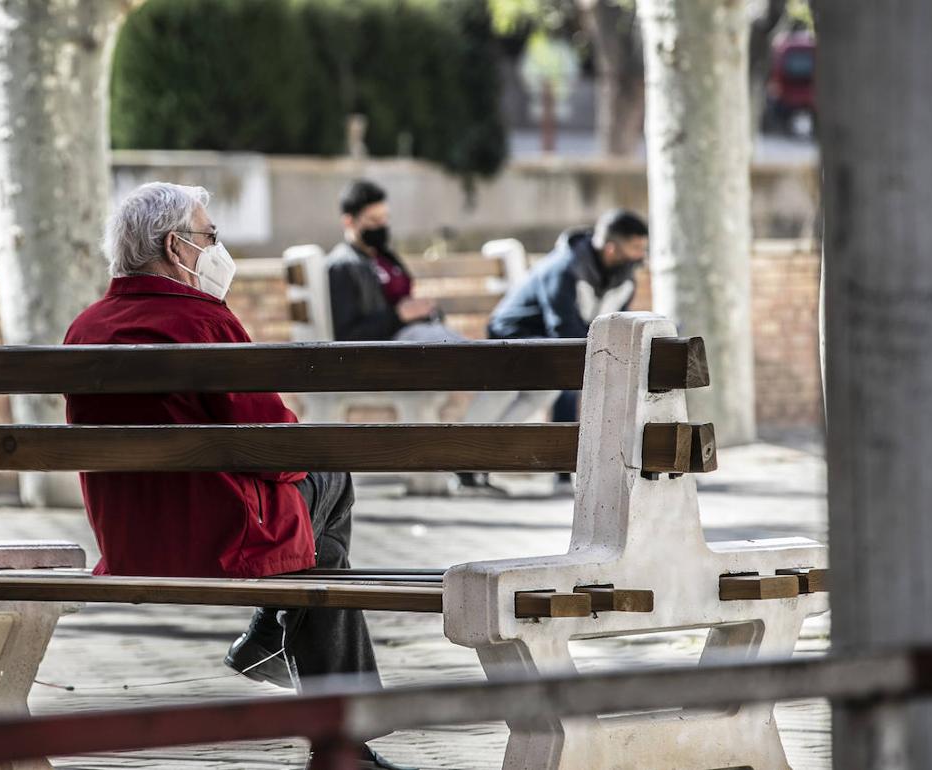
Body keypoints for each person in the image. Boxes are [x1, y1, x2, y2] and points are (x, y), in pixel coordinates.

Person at [64, 182, 414, 770]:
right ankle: (287, 655)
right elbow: (275, 448)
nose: (218, 247)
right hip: (223, 538)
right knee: (329, 481)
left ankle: (281, 645)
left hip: (129, 541)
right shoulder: (202, 321)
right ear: (177, 247)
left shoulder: (85, 328)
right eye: (211, 236)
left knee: (320, 550)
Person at [457, 209, 649, 492]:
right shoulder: (565, 268)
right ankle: (461, 458)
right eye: (635, 248)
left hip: (553, 346)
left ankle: (481, 459)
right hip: (513, 337)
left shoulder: (624, 279)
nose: (641, 256)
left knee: (546, 390)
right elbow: (564, 330)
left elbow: (611, 324)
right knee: (510, 388)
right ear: (611, 248)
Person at [327, 179, 461, 343]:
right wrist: (399, 316)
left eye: (385, 218)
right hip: (388, 347)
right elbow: (347, 334)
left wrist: (425, 309)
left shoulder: (385, 256)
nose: (382, 226)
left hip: (418, 334)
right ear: (349, 221)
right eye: (374, 220)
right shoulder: (342, 266)